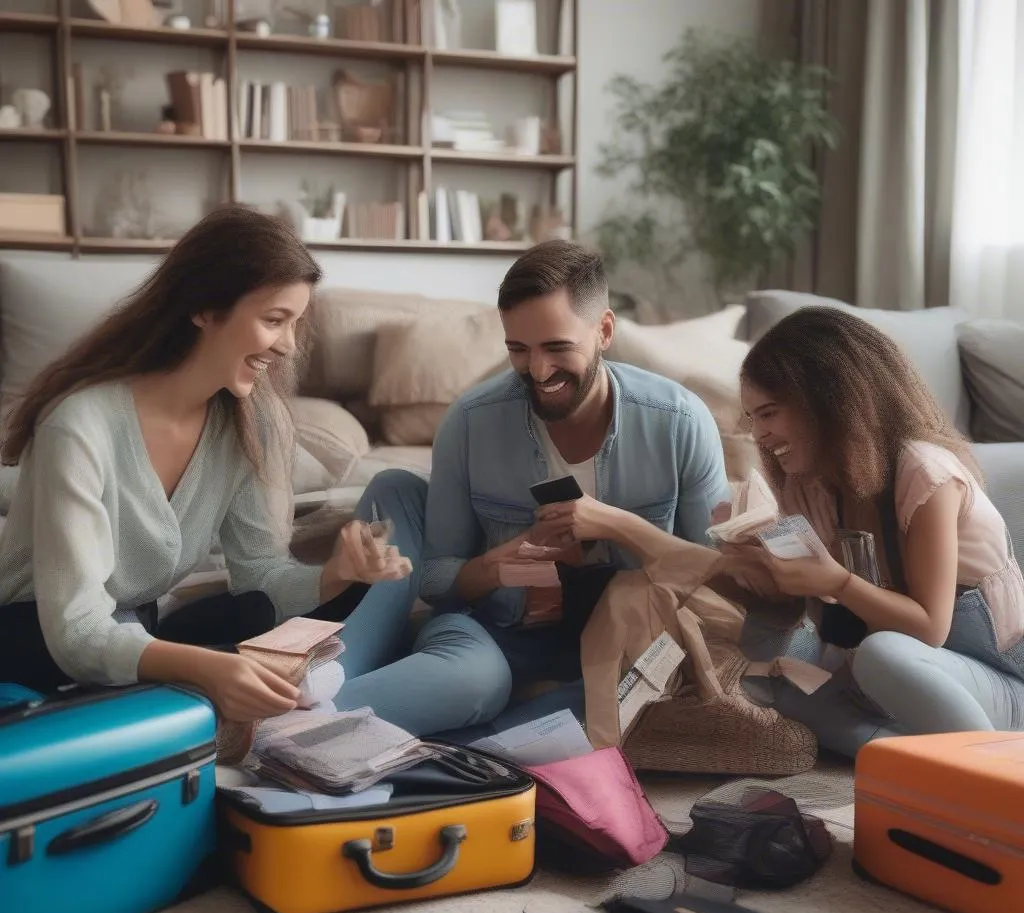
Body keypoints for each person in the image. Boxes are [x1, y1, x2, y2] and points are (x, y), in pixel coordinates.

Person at [0, 204, 421, 725]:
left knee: (255, 613)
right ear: (204, 307)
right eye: (273, 321)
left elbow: (261, 574)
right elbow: (77, 632)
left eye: (295, 324)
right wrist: (212, 670)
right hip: (36, 639)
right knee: (243, 666)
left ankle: (205, 698)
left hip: (137, 631)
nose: (288, 347)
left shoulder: (251, 420)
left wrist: (335, 576)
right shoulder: (80, 424)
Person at [338, 239, 731, 735]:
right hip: (497, 633)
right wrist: (494, 569)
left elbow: (713, 579)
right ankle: (293, 723)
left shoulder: (678, 422)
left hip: (626, 639)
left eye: (557, 348)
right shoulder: (470, 422)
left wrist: (615, 523)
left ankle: (467, 741)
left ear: (604, 330)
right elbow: (437, 580)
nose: (539, 372)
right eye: (518, 350)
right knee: (472, 684)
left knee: (625, 705)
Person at [723, 305, 1024, 752]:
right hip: (902, 675)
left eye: (768, 414)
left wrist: (838, 581)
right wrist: (766, 583)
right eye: (753, 419)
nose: (759, 435)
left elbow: (929, 629)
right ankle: (903, 755)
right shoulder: (809, 487)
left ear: (827, 400)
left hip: (996, 681)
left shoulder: (925, 474)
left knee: (881, 655)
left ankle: (986, 770)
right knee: (773, 676)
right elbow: (833, 632)